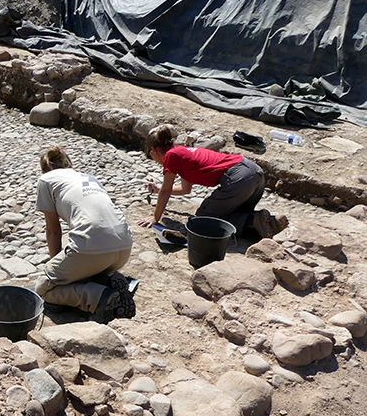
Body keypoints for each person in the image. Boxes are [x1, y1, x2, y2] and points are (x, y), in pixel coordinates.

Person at [35, 145, 136, 324]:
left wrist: (57, 272)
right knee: (82, 267)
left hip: (92, 248)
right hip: (124, 246)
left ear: (44, 170)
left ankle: (99, 296)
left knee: (43, 289)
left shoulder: (46, 180)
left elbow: (53, 230)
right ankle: (108, 281)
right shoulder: (89, 178)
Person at [137, 124, 288, 237]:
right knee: (232, 213)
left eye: (152, 157)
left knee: (204, 219)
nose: (157, 162)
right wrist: (158, 190)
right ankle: (268, 222)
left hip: (238, 177)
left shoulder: (171, 156)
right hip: (254, 172)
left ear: (154, 151)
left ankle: (253, 221)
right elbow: (185, 189)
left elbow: (166, 189)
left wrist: (155, 217)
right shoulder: (182, 153)